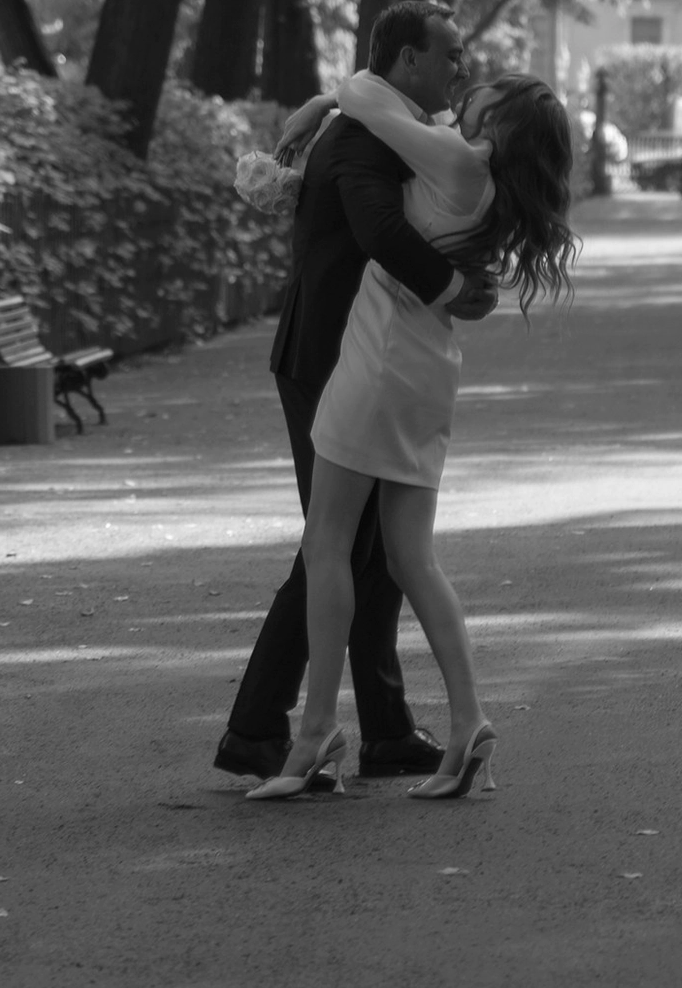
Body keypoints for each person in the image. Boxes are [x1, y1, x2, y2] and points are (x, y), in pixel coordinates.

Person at [247, 66, 577, 802]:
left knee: (326, 544)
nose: (467, 90)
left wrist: (319, 99)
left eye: (485, 93)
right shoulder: (483, 177)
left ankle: (316, 732)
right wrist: (331, 101)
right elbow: (409, 117)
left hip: (380, 359)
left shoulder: (459, 160)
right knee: (410, 559)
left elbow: (369, 95)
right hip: (427, 365)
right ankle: (467, 725)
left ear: (502, 122)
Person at [214, 2, 499, 784]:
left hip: (353, 356)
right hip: (329, 360)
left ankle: (384, 729)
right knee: (333, 545)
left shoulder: (381, 120)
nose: (461, 68)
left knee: (363, 548)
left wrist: (324, 98)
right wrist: (456, 290)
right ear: (408, 61)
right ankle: (254, 729)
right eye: (450, 54)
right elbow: (380, 231)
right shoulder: (367, 136)